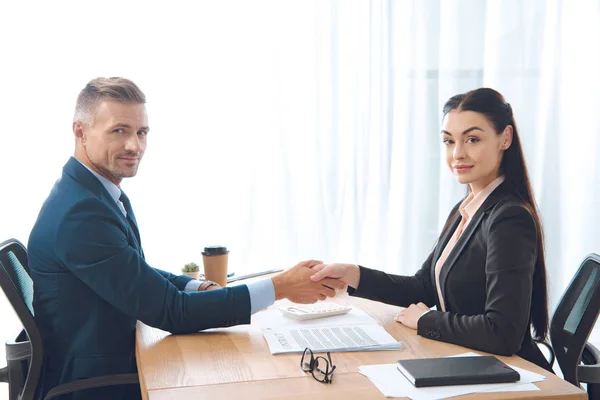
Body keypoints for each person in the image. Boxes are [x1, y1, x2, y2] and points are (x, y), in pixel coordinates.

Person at [27, 77, 345, 400]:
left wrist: (196, 285)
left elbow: (134, 270)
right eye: (119, 130)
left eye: (141, 132)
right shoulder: (80, 214)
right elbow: (172, 312)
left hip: (111, 365)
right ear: (80, 132)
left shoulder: (92, 194)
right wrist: (280, 287)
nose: (134, 146)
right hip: (97, 386)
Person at [311, 88, 552, 371]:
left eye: (472, 139)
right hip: (473, 362)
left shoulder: (508, 218)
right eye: (449, 141)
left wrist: (426, 321)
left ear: (505, 138)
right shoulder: (468, 208)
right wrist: (354, 275)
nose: (458, 153)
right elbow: (425, 287)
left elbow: (502, 332)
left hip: (514, 374)